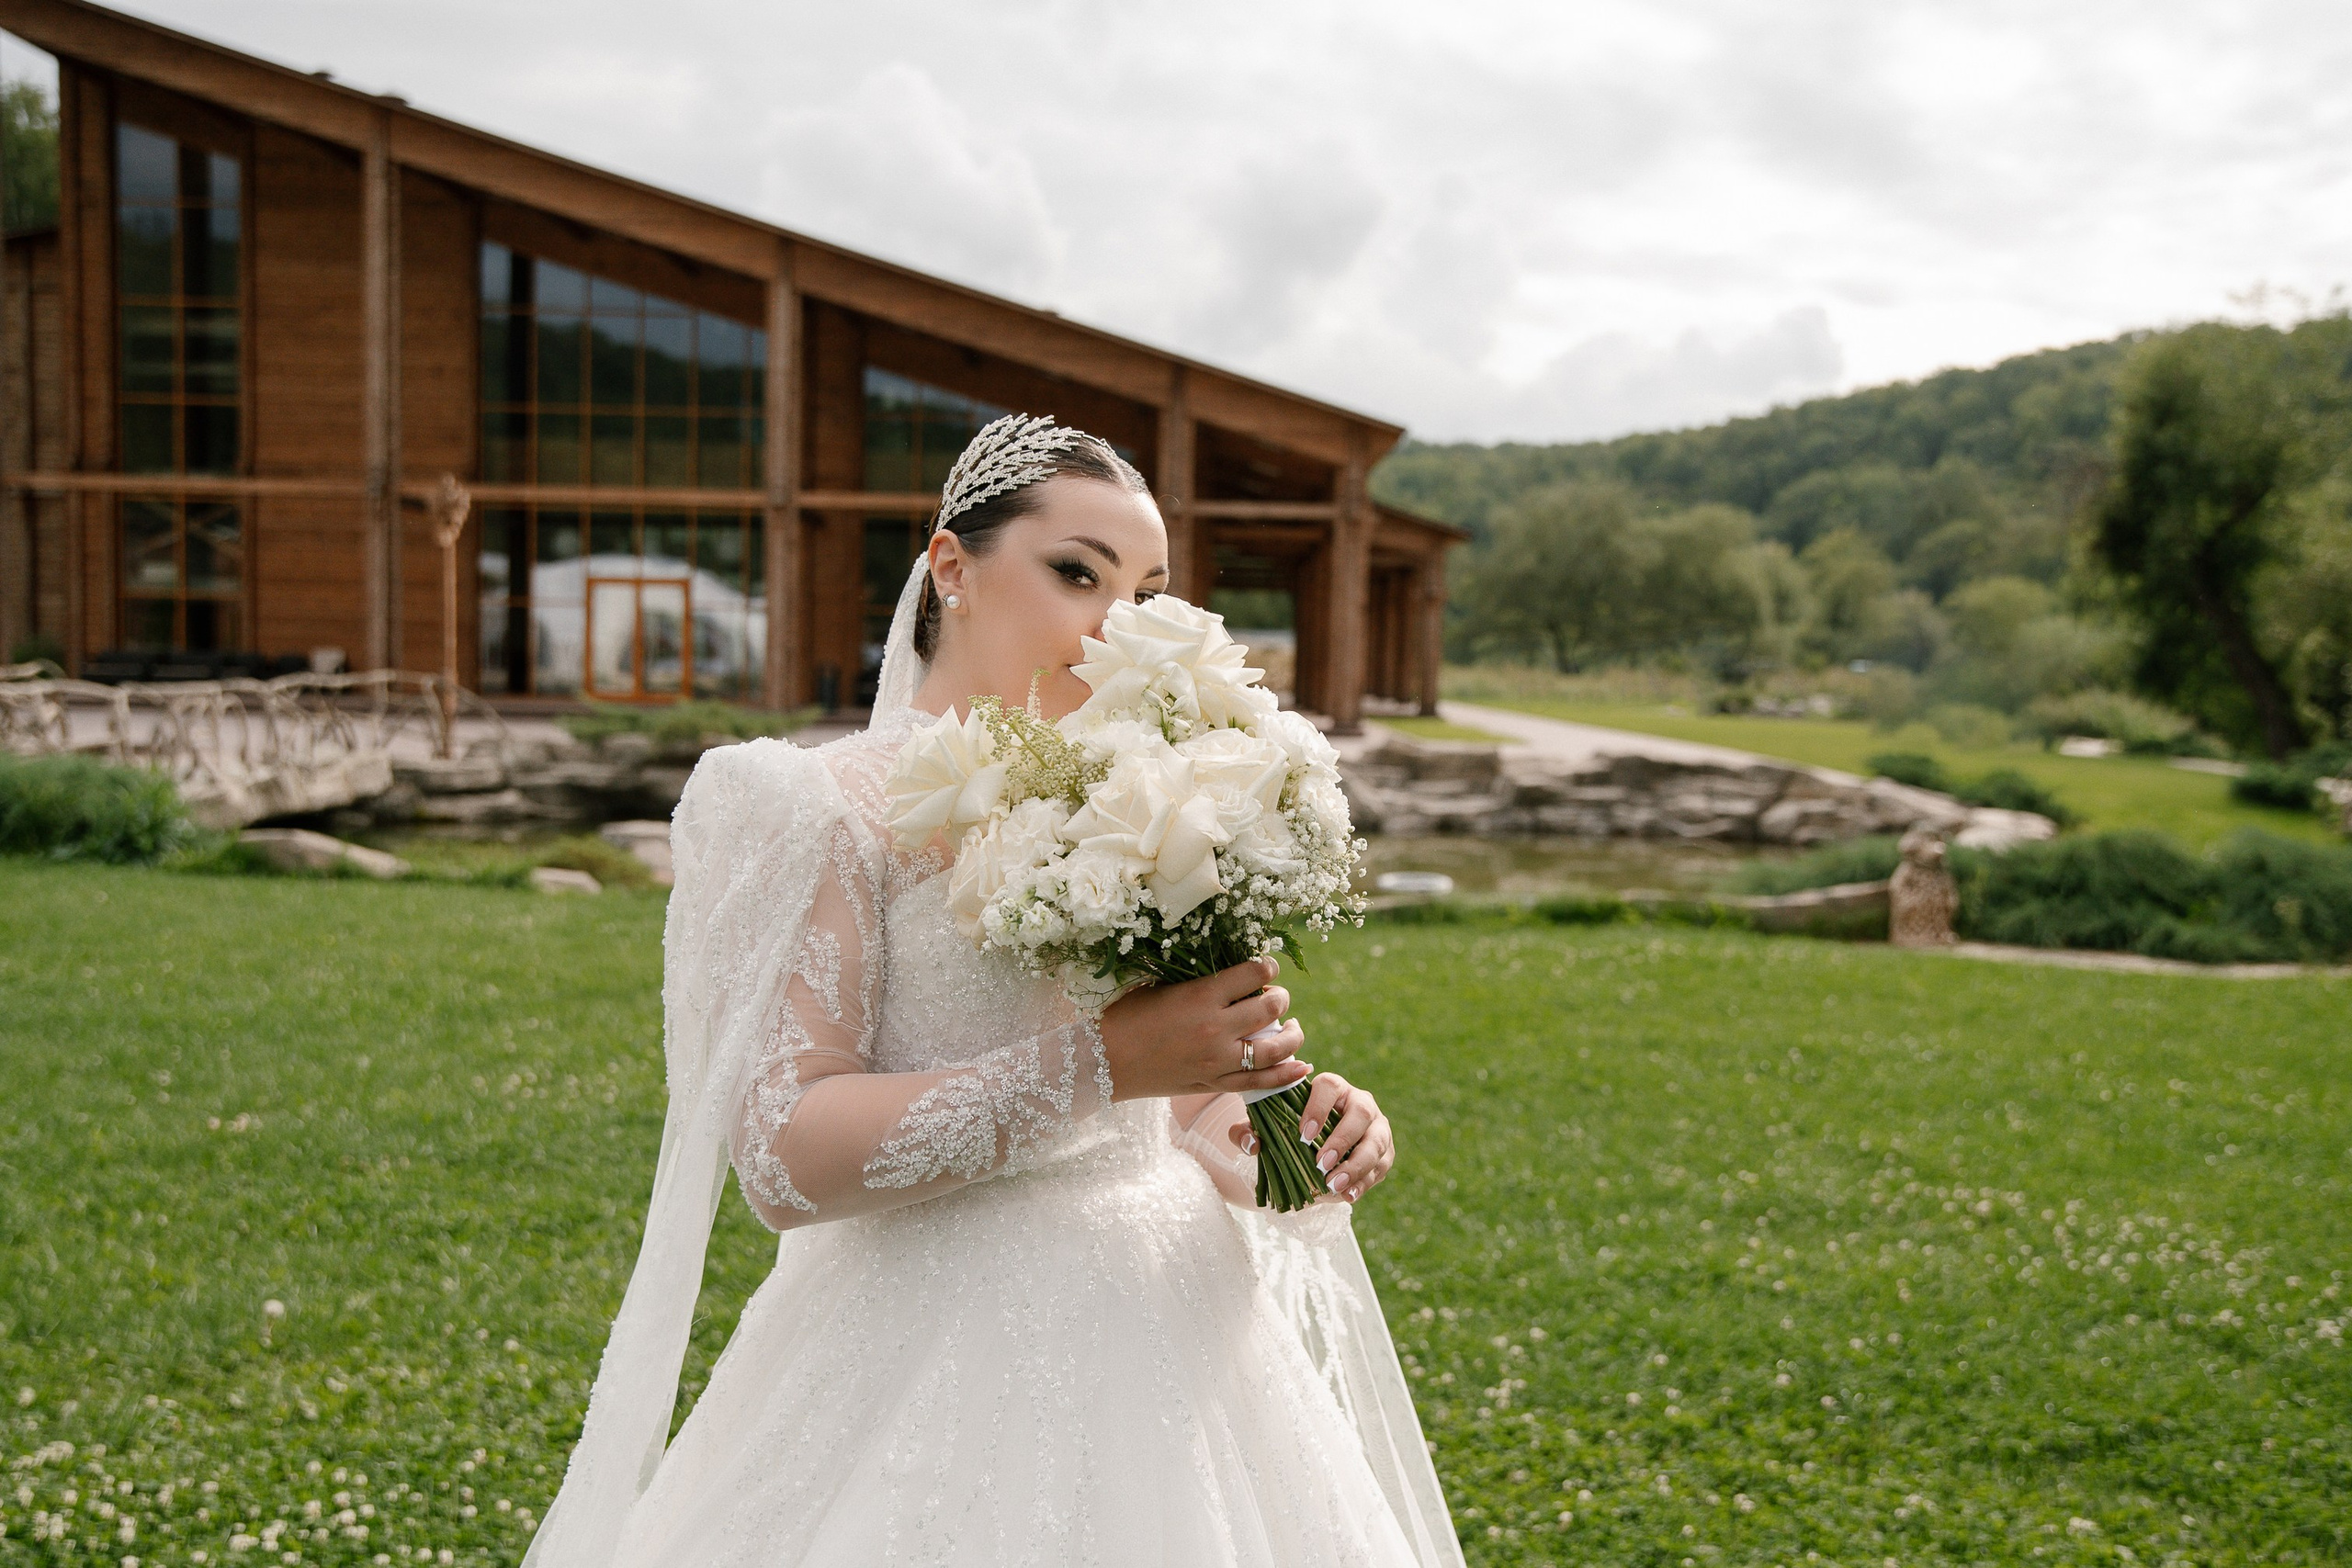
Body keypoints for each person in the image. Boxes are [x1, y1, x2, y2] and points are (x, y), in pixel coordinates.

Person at [523, 415, 1464, 1568]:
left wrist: (1281, 1130)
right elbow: (782, 1156)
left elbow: (1180, 1111)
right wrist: (1106, 1064)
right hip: (929, 1353)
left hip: (1182, 1343)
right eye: (1077, 573)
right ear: (953, 568)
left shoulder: (1158, 795)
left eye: (1147, 592)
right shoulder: (810, 806)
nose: (1114, 625)